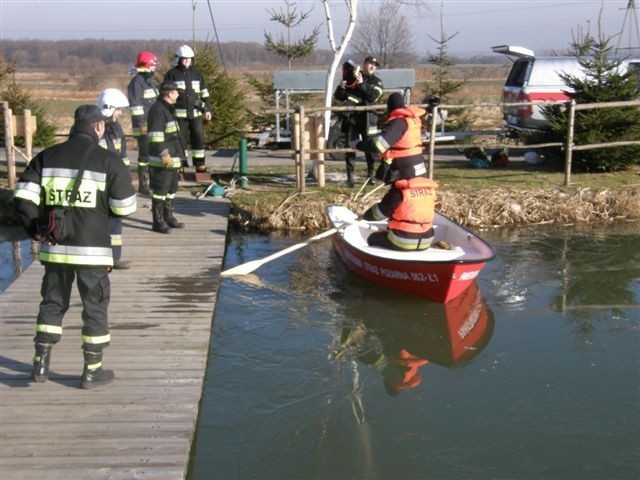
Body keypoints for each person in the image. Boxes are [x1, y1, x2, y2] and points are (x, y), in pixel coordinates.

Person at [13, 104, 137, 389]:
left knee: (52, 302)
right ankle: (92, 370)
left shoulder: (47, 157)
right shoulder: (109, 160)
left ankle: (40, 364)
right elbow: (125, 208)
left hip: (54, 247)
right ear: (98, 127)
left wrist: (36, 229)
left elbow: (22, 198)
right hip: (93, 251)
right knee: (94, 305)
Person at [353, 92, 438, 251]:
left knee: (377, 232)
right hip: (417, 168)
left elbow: (379, 145)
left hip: (404, 169)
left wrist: (358, 145)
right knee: (412, 203)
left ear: (390, 108)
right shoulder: (413, 120)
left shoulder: (399, 122)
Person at [333, 55, 384, 187]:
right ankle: (350, 178)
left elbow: (373, 96)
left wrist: (362, 84)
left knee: (370, 149)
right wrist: (341, 87)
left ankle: (370, 176)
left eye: (375, 65)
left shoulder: (377, 82)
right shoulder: (353, 77)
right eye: (370, 63)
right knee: (350, 148)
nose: (372, 66)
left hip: (369, 119)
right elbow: (339, 96)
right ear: (364, 63)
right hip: (352, 119)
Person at [96, 88, 132, 270]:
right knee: (98, 222)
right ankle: (100, 258)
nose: (120, 113)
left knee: (116, 220)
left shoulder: (117, 128)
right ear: (108, 108)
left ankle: (114, 258)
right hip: (99, 185)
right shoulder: (94, 127)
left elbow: (123, 155)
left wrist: (125, 179)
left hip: (115, 183)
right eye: (118, 109)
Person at [163, 44, 212, 173]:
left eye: (189, 59)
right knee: (180, 140)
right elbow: (166, 95)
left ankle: (200, 165)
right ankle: (181, 165)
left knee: (198, 139)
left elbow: (204, 93)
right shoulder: (172, 74)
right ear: (178, 59)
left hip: (195, 114)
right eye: (185, 59)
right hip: (179, 116)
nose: (187, 61)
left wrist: (207, 109)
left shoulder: (197, 74)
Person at [147, 81, 186, 233]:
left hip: (173, 159)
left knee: (172, 189)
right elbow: (155, 136)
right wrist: (164, 155)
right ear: (170, 94)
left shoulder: (168, 108)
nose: (178, 94)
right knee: (160, 191)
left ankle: (168, 216)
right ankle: (158, 221)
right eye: (176, 92)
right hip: (162, 161)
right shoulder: (158, 110)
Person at [127, 50, 159, 195]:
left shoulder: (149, 83)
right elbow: (135, 107)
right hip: (143, 127)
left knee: (153, 155)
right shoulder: (136, 83)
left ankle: (152, 182)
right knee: (145, 156)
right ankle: (143, 183)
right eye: (153, 65)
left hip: (153, 125)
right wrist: (143, 124)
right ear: (146, 65)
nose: (154, 68)